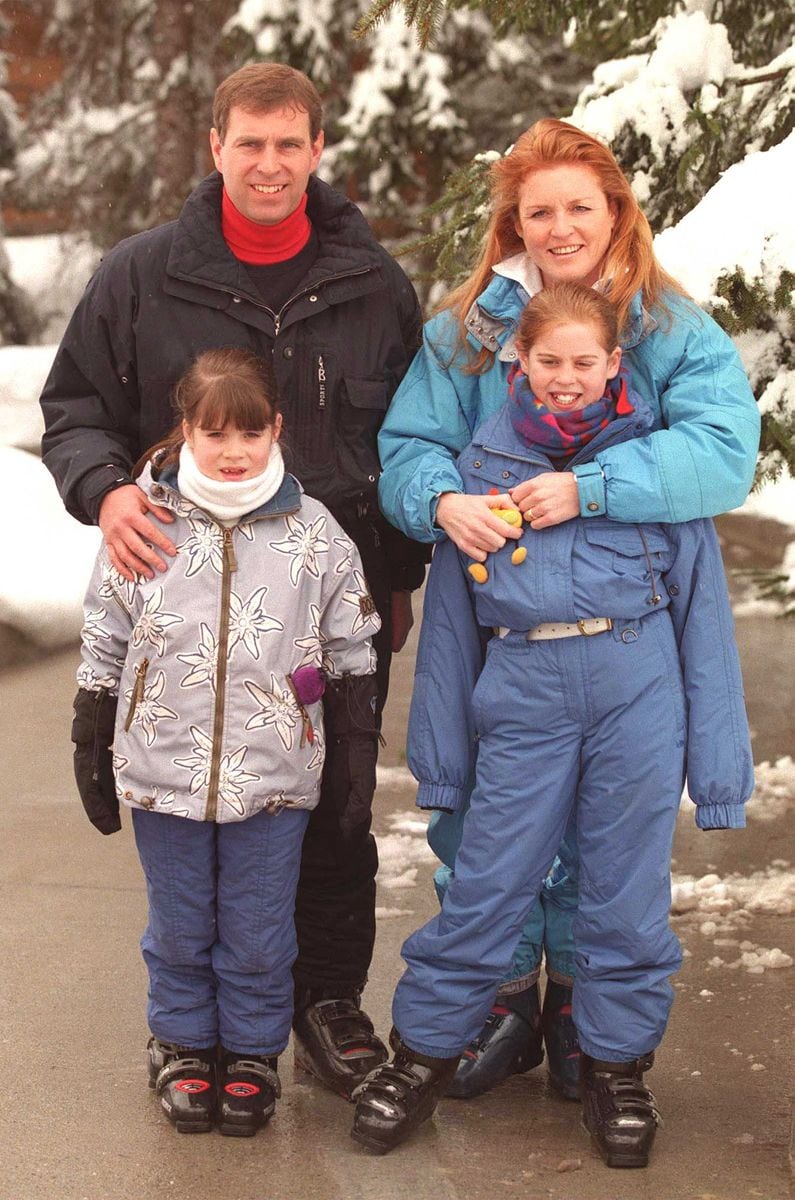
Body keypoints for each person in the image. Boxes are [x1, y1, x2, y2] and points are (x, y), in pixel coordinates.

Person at [40, 62, 427, 1099]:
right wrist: (108, 492)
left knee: (335, 806)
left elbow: (414, 435)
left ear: (317, 152)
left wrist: (396, 572)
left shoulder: (373, 282)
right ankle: (194, 1027)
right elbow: (74, 408)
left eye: (288, 145)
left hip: (322, 597)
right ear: (215, 148)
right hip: (182, 599)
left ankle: (324, 1002)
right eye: (249, 143)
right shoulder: (143, 274)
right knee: (201, 833)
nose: (269, 164)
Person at [375, 117, 760, 1101]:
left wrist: (596, 488)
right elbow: (411, 445)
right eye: (536, 210)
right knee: (489, 833)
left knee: (608, 841)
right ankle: (501, 995)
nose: (557, 227)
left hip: (622, 618)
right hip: (503, 620)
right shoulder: (468, 331)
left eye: (577, 207)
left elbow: (722, 452)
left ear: (616, 212)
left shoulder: (668, 326)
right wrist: (440, 499)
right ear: (513, 221)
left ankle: (587, 1007)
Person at [71, 347, 382, 1135]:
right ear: (186, 432)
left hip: (274, 777)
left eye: (251, 433)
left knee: (256, 928)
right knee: (179, 925)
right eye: (216, 434)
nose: (235, 451)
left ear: (277, 428)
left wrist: (350, 746)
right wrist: (94, 724)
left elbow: (351, 645)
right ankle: (180, 1045)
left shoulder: (312, 533)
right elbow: (107, 631)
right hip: (161, 769)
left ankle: (249, 1053)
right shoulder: (145, 520)